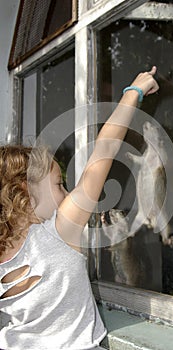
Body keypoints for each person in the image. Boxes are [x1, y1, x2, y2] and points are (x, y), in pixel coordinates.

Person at [0, 67, 159, 349]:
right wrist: (133, 92)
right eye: (59, 184)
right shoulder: (60, 230)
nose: (66, 194)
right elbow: (105, 150)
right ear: (25, 191)